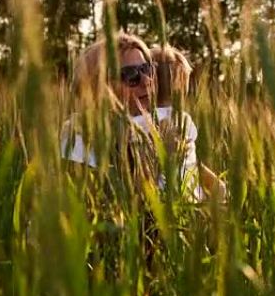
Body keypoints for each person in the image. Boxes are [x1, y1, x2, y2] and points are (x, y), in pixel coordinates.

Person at [61, 33, 207, 201]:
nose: (147, 81)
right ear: (99, 86)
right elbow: (114, 206)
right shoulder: (78, 135)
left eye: (147, 69)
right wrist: (160, 154)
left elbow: (194, 172)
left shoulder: (168, 122)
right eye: (131, 75)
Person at [150, 44, 227, 201]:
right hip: (186, 197)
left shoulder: (143, 118)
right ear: (181, 85)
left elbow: (190, 160)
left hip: (163, 197)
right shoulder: (182, 119)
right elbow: (192, 162)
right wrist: (217, 185)